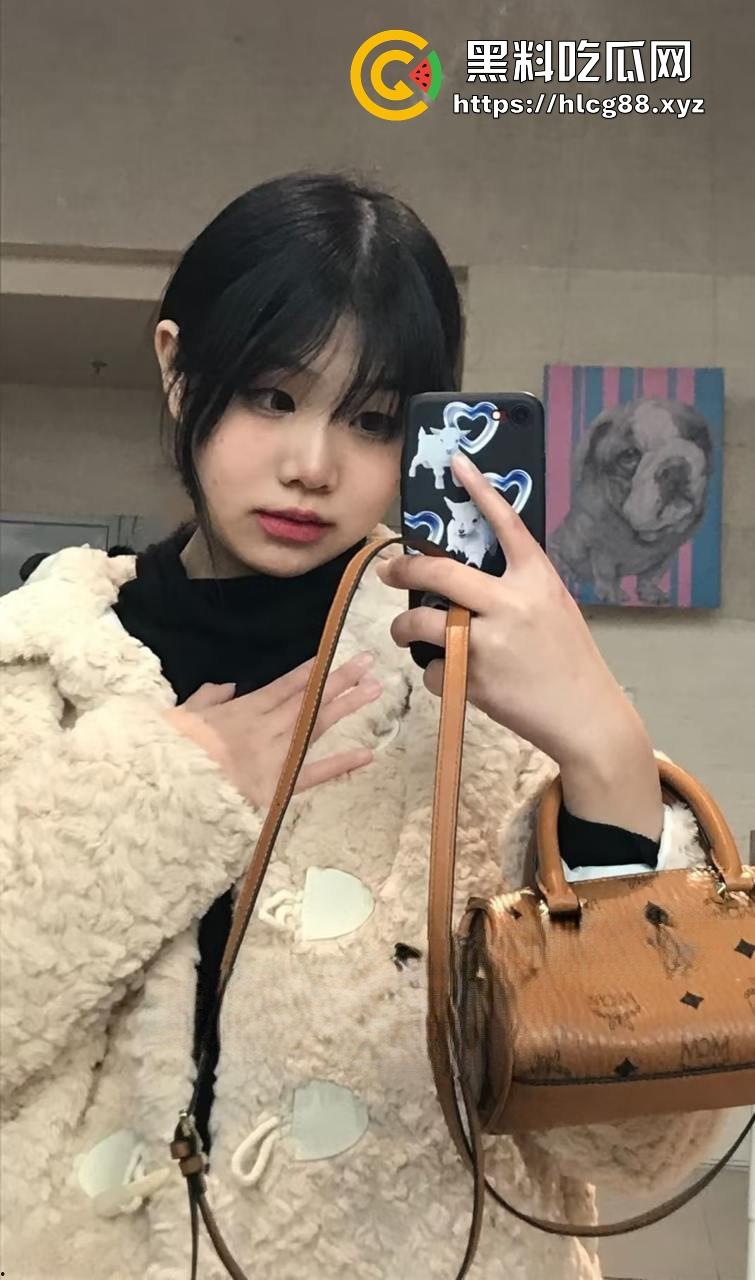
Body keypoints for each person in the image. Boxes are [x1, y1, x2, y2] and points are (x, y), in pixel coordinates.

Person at [0, 171, 724, 1280]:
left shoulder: (472, 684)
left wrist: (606, 753)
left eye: (374, 419)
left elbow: (630, 1147)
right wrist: (157, 792)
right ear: (177, 366)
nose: (312, 464)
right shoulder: (33, 666)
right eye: (270, 396)